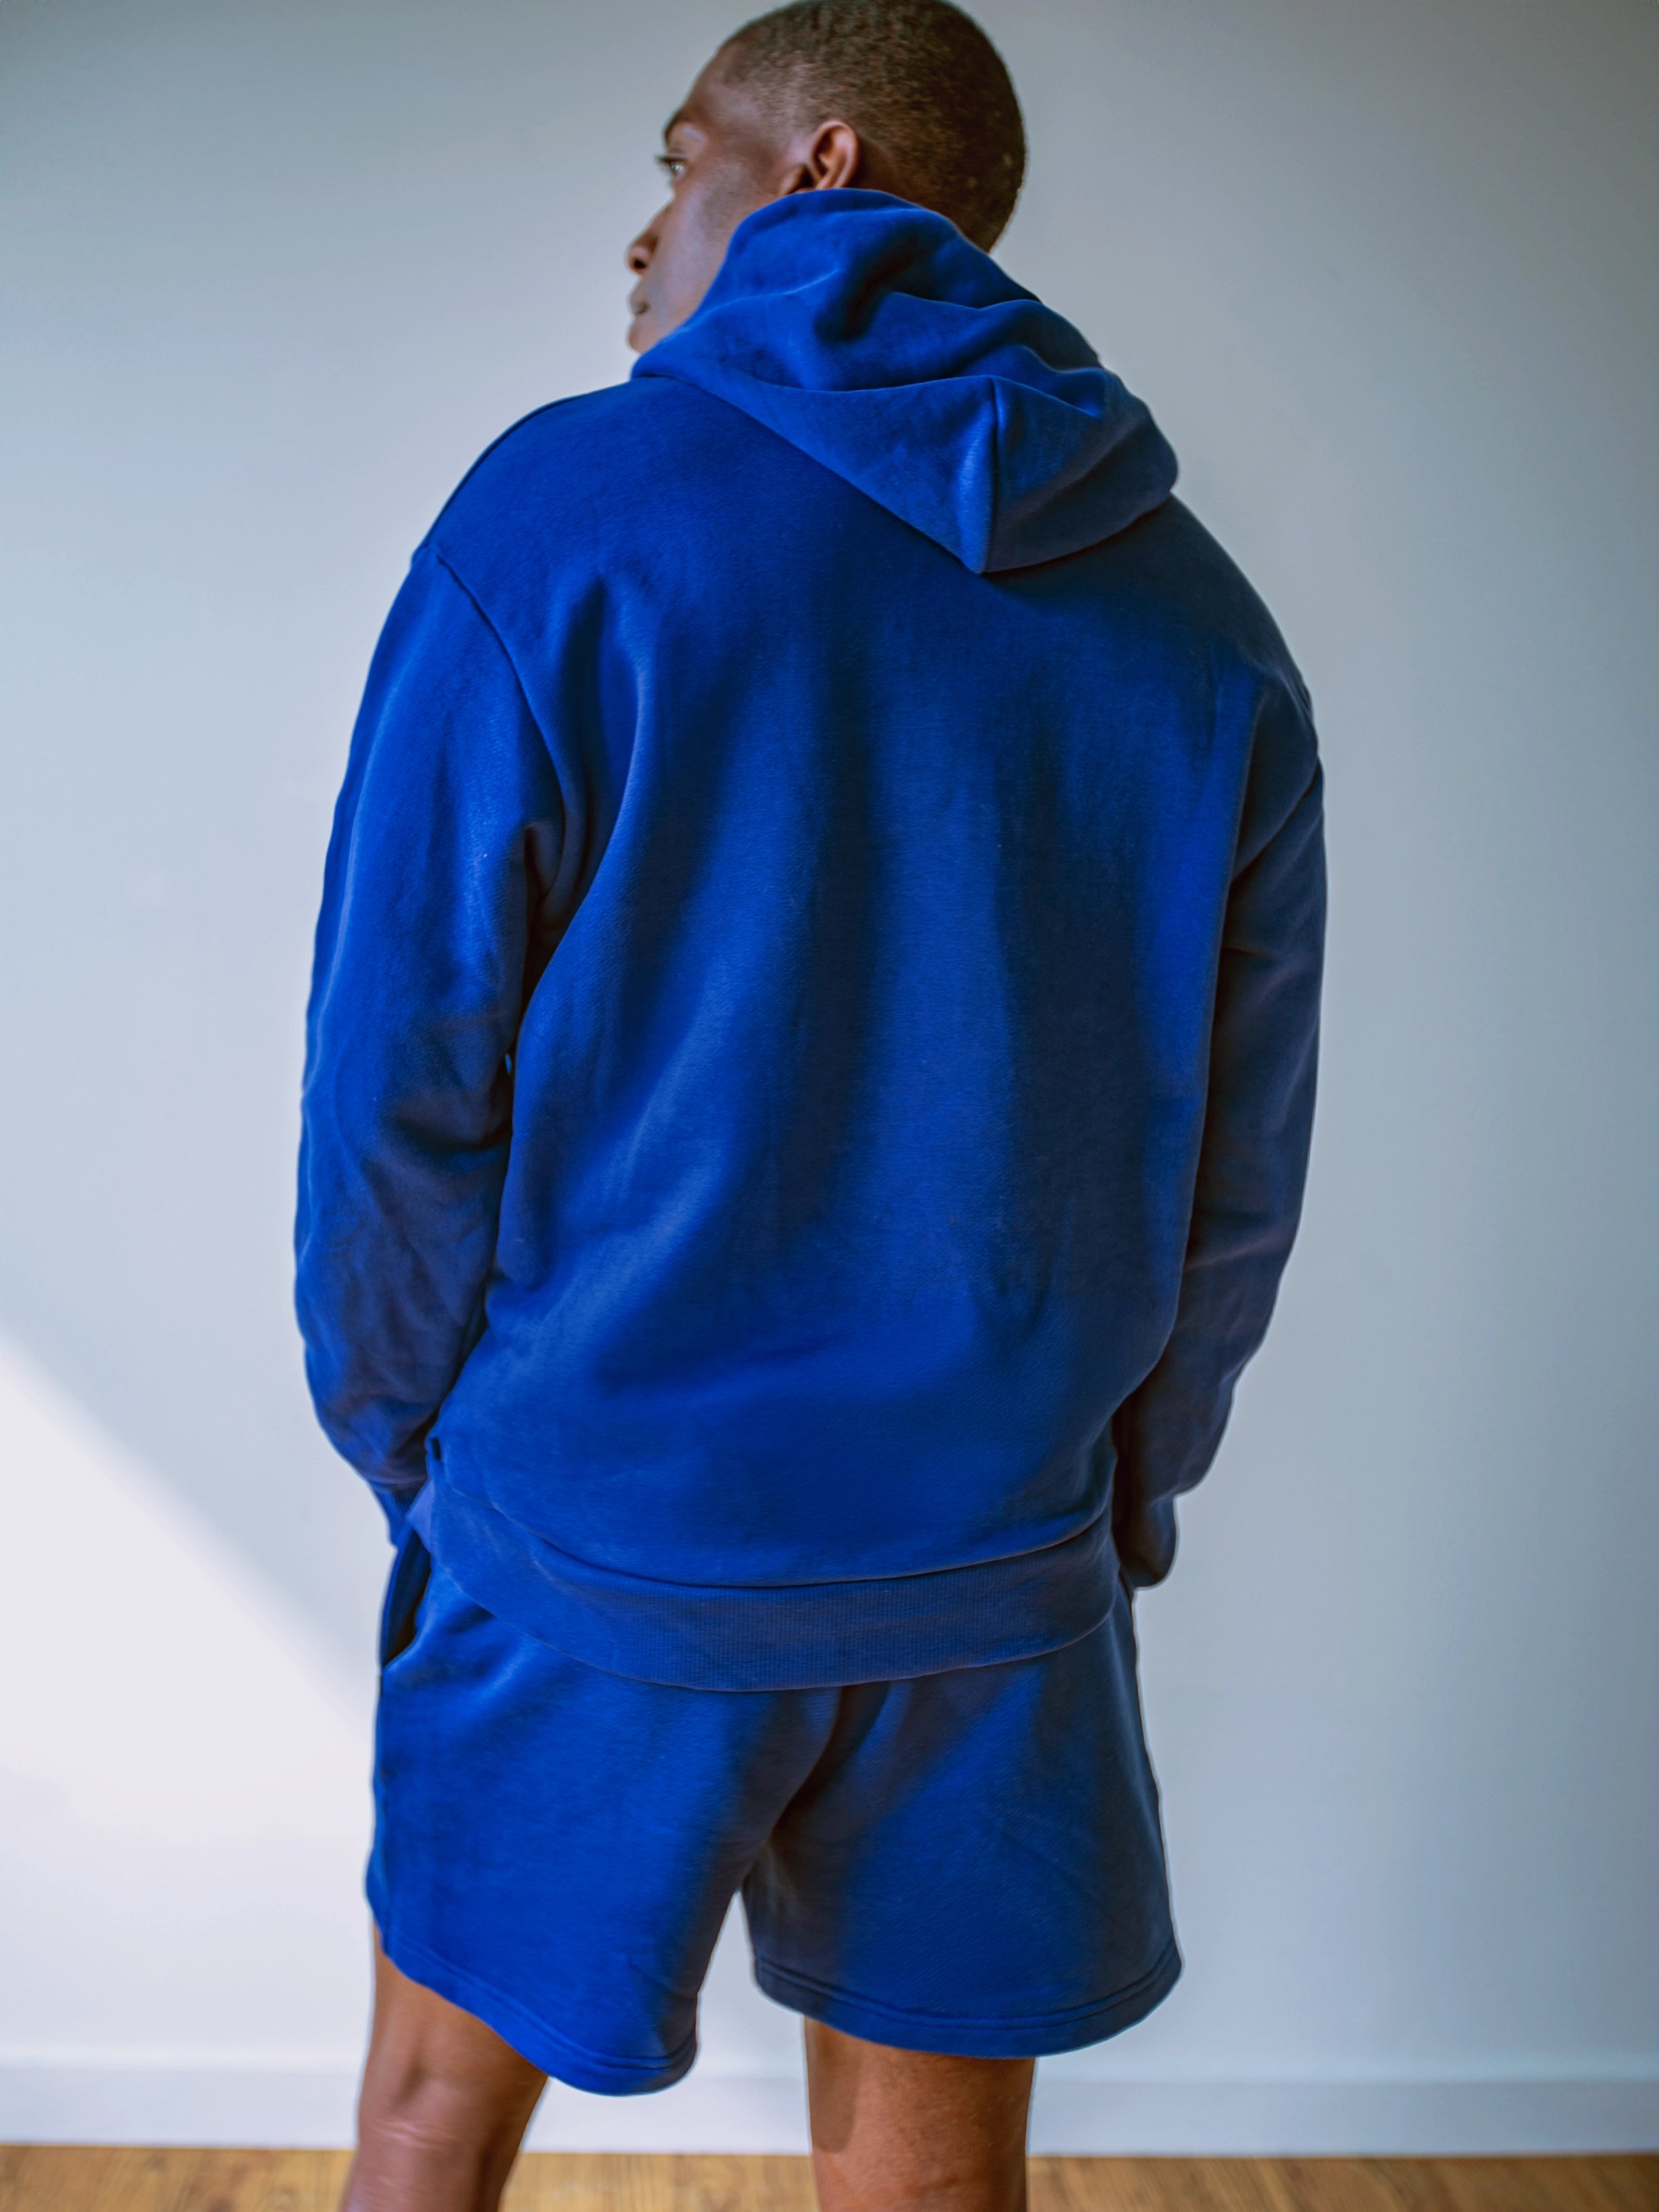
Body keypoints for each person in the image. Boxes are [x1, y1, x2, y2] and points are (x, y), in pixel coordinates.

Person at [294, 1, 1327, 2205]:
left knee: (423, 2123)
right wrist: (1098, 1503)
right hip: (987, 1552)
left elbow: (399, 1068)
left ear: (820, 163)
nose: (645, 228)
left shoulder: (563, 513)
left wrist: (423, 1453)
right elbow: (1235, 1177)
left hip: (607, 1526)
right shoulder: (1198, 618)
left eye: (681, 162)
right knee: (932, 2183)